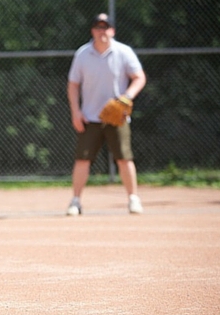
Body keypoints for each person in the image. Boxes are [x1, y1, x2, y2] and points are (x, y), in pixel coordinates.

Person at [66, 13, 147, 216]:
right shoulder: (83, 54)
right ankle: (76, 201)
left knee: (124, 158)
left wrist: (127, 97)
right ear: (92, 31)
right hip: (90, 116)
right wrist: (76, 111)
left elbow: (139, 77)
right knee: (82, 160)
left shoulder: (123, 52)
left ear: (112, 30)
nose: (102, 31)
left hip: (117, 117)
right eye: (98, 27)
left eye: (106, 27)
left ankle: (133, 199)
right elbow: (73, 84)